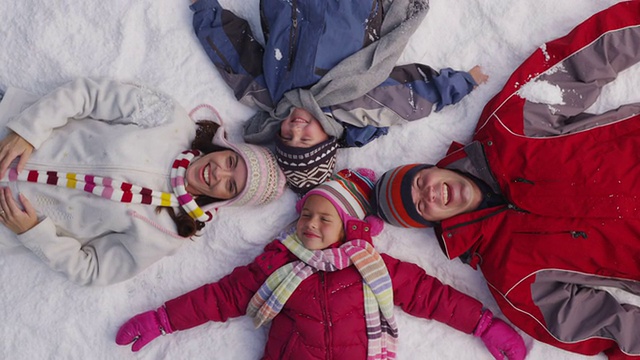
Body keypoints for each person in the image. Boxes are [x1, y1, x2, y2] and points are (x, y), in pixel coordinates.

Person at [373, 2, 640, 358]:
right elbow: (603, 326)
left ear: (431, 167)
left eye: (421, 181)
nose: (432, 193)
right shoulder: (512, 280)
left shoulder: (508, 126)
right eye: (422, 206)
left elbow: (582, 63)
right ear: (433, 223)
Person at [115, 168, 526, 359]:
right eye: (306, 216)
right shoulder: (276, 265)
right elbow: (222, 297)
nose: (310, 224)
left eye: (323, 219)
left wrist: (483, 324)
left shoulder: (373, 266)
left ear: (347, 228)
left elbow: (430, 296)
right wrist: (163, 319)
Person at [0, 77, 286, 286]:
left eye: (230, 185)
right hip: (8, 128)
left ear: (226, 200)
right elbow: (90, 95)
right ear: (227, 149)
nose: (218, 173)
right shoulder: (170, 119)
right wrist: (27, 131)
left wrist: (34, 234)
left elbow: (93, 269)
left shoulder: (166, 233)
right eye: (231, 162)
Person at [190, 0, 489, 194]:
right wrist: (461, 83)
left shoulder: (270, 95)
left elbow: (235, 56)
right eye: (305, 139)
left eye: (287, 137)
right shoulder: (353, 105)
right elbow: (408, 98)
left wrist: (206, 11)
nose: (295, 128)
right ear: (327, 138)